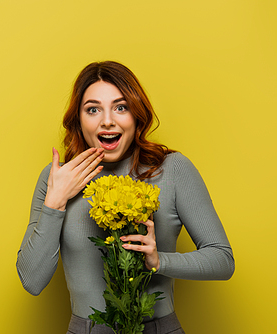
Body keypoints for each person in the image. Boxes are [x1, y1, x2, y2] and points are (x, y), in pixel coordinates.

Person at [16, 61, 235, 334]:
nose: (107, 120)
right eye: (93, 109)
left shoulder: (173, 169)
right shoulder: (56, 178)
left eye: (121, 107)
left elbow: (222, 261)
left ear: (136, 116)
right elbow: (32, 281)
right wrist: (55, 202)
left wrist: (159, 261)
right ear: (78, 120)